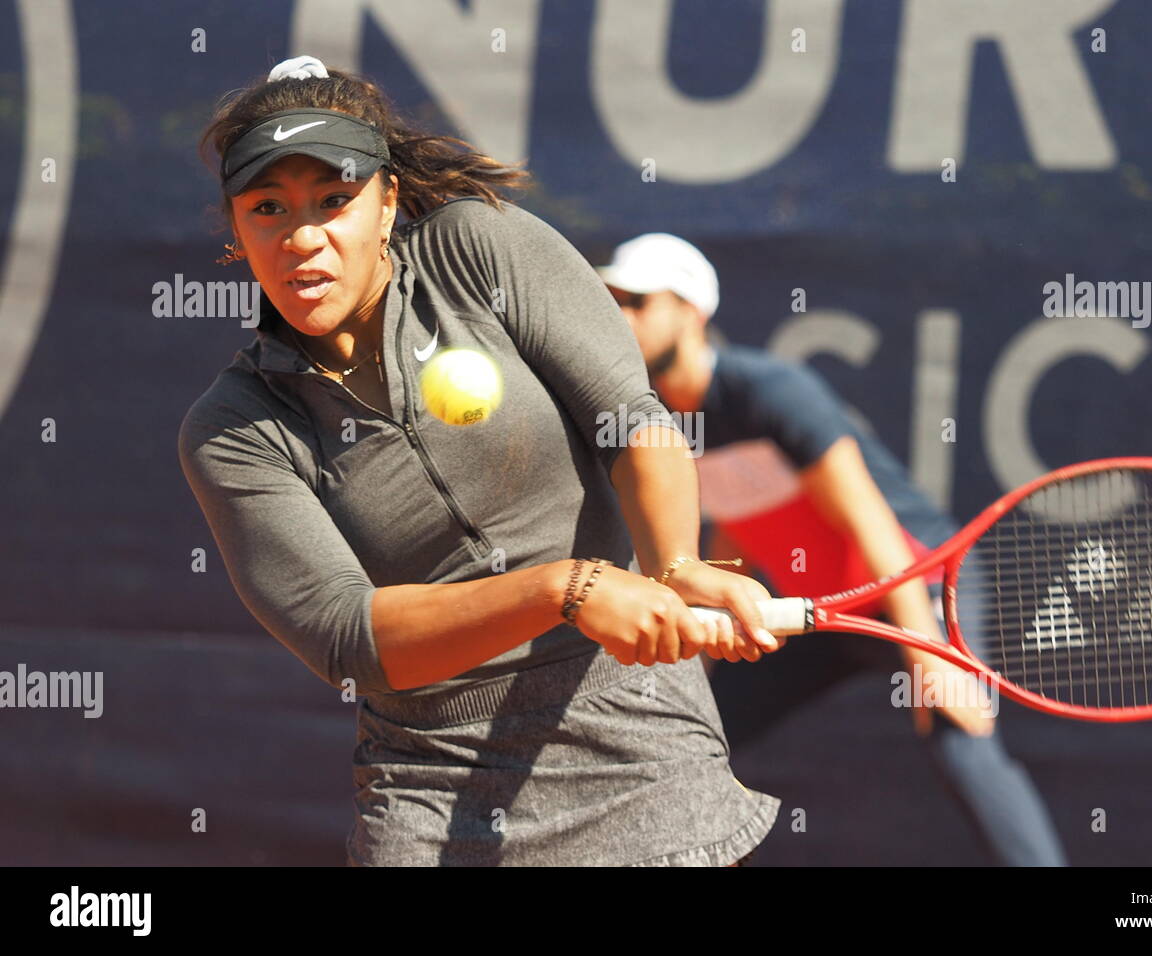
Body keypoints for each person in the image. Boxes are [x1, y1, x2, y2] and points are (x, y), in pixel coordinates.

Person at [178, 56, 785, 867]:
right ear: (237, 227)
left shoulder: (479, 249)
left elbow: (630, 420)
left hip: (636, 736)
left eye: (334, 200)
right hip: (431, 781)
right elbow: (348, 636)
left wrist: (675, 563)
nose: (303, 237)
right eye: (268, 209)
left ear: (388, 201)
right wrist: (561, 588)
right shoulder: (233, 427)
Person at [598, 233, 1068, 866]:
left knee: (961, 735)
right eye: (610, 300)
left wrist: (927, 652)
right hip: (822, 606)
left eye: (637, 299)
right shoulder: (655, 420)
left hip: (916, 580)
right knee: (699, 734)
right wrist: (716, 626)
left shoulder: (769, 389)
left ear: (691, 311)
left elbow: (870, 519)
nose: (619, 315)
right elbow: (737, 527)